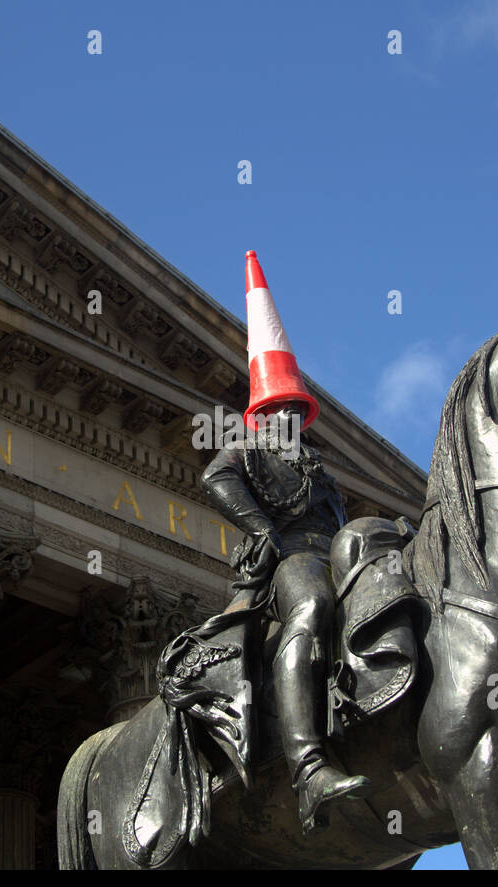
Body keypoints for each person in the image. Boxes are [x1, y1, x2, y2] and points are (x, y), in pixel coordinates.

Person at [200, 256, 372, 833]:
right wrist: (264, 531)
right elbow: (214, 479)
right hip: (293, 558)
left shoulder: (319, 468)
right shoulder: (250, 449)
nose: (291, 417)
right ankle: (309, 767)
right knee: (312, 607)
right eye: (282, 409)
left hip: (340, 554)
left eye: (297, 410)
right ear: (263, 412)